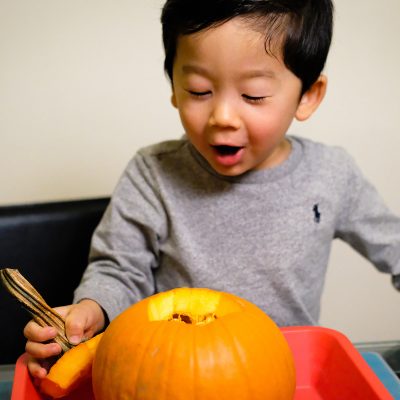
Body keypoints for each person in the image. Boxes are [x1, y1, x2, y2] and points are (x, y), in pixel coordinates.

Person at [24, 0, 400, 379]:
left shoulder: (331, 173)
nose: (222, 117)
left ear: (308, 96)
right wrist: (91, 308)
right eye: (199, 90)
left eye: (253, 95)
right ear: (174, 86)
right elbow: (119, 269)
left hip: (289, 373)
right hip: (172, 375)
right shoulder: (153, 173)